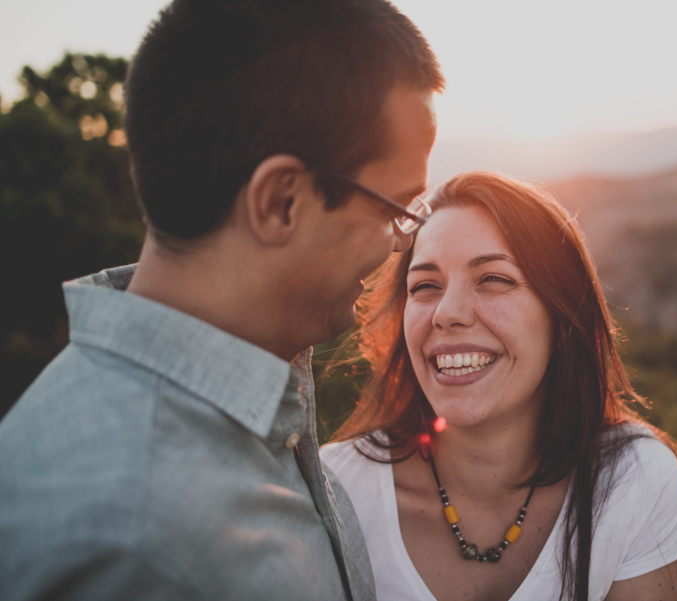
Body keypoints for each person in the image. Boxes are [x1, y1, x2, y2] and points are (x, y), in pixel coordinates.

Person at [0, 1, 443, 599]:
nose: (399, 244)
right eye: (395, 209)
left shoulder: (252, 404)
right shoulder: (130, 543)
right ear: (281, 202)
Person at [321, 172, 677, 600]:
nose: (447, 313)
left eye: (493, 279)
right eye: (425, 286)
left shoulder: (632, 482)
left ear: (561, 315)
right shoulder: (336, 493)